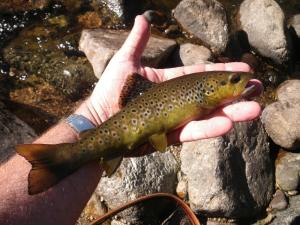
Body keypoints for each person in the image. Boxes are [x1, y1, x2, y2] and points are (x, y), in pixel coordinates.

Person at [0, 14, 262, 225]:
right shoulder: (204, 91)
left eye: (234, 80)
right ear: (209, 90)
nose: (239, 81)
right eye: (233, 80)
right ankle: (63, 158)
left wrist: (91, 118)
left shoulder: (205, 93)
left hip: (127, 128)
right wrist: (95, 115)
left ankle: (66, 158)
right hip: (123, 127)